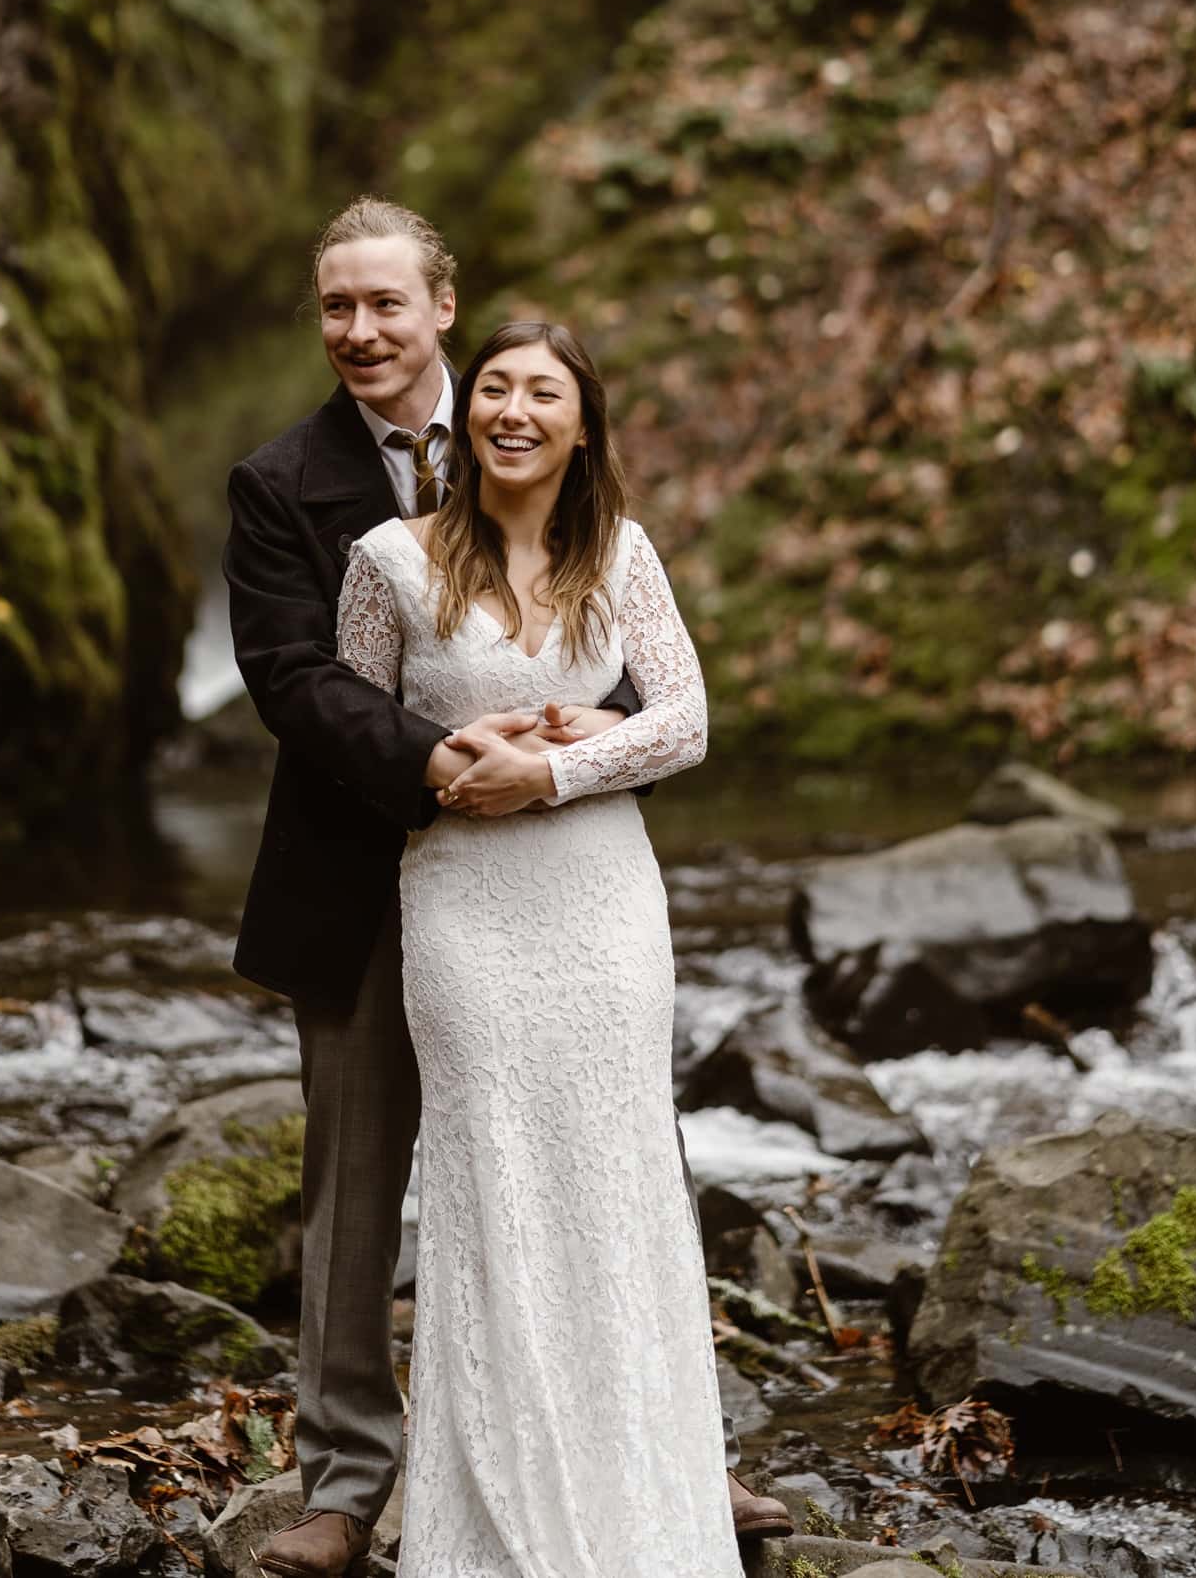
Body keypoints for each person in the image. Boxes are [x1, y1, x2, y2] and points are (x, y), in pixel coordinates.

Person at [225, 198, 788, 1578]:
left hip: (566, 879)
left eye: (384, 305)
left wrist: (573, 756)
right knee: (358, 1181)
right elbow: (297, 681)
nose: (360, 331)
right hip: (369, 867)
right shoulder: (282, 482)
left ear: (442, 308)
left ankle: (653, 1445)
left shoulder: (555, 472)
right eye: (336, 307)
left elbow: (657, 696)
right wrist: (447, 761)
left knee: (609, 1151)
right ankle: (349, 1484)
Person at [337, 319, 744, 1576]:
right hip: (460, 906)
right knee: (492, 1180)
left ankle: (645, 1499)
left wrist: (557, 767)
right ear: (468, 419)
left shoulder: (621, 554)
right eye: (497, 388)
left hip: (605, 903)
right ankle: (495, 1518)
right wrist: (455, 761)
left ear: (582, 426)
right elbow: (355, 729)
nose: (515, 409)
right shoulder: (388, 559)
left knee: (619, 1177)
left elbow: (685, 721)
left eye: (544, 393)